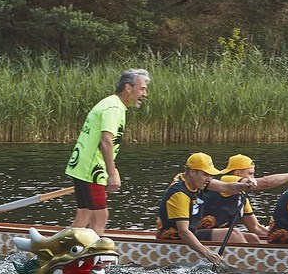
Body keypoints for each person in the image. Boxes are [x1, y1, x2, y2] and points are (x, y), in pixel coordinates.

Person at [67, 69, 146, 232]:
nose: (145, 94)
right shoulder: (114, 108)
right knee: (100, 216)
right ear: (128, 87)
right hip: (92, 169)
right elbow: (106, 141)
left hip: (81, 167)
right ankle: (95, 256)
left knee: (84, 215)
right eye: (142, 88)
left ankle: (58, 251)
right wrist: (112, 173)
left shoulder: (111, 103)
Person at [155, 153, 229, 262]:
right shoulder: (179, 193)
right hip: (173, 238)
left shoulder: (196, 182)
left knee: (234, 233)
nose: (209, 179)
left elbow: (225, 186)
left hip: (191, 232)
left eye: (210, 175)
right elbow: (183, 232)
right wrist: (207, 253)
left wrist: (243, 185)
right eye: (206, 174)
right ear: (192, 172)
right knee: (232, 236)